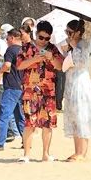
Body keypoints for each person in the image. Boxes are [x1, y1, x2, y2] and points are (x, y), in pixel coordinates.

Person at [15, 21, 63, 163]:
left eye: (47, 38)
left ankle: (45, 154)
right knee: (30, 123)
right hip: (30, 90)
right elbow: (19, 65)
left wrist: (51, 58)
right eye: (41, 37)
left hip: (48, 91)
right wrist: (34, 59)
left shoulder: (53, 49)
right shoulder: (26, 48)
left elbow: (60, 66)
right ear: (36, 34)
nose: (43, 41)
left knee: (48, 124)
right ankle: (26, 154)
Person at [62, 19, 91, 162]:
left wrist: (74, 46)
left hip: (80, 82)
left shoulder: (83, 44)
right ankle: (77, 150)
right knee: (73, 116)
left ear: (78, 32)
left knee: (81, 115)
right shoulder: (72, 45)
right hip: (71, 81)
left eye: (70, 32)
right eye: (66, 32)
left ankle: (82, 152)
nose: (68, 34)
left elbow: (83, 62)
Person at [0, 28, 26, 151]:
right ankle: (26, 141)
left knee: (4, 114)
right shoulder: (24, 50)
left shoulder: (10, 49)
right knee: (19, 116)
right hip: (21, 86)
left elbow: (7, 65)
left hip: (11, 86)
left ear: (13, 38)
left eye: (8, 39)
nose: (7, 41)